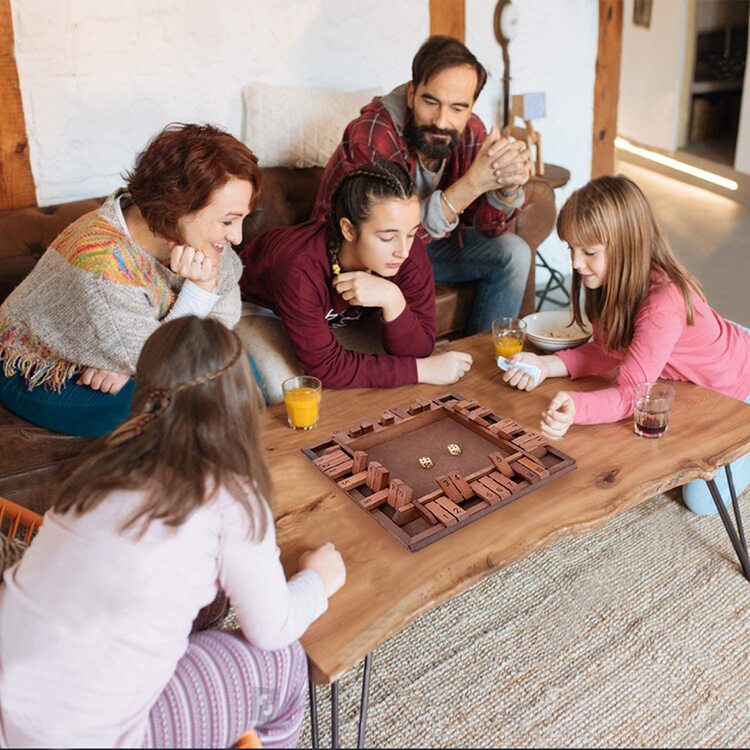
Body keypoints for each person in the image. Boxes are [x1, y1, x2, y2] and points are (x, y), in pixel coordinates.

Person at [0, 316, 346, 748]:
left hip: (13, 703)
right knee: (285, 663)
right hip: (90, 737)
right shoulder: (230, 497)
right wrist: (318, 580)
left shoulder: (99, 468)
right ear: (241, 402)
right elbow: (273, 629)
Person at [502, 174, 750, 515]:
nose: (575, 263)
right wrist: (545, 365)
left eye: (588, 251)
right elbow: (606, 349)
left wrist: (577, 407)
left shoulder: (663, 304)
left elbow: (633, 394)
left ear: (625, 246)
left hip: (738, 384)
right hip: (702, 364)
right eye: (571, 249)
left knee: (701, 501)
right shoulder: (612, 280)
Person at [0, 123, 262, 436]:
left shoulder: (202, 238)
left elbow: (224, 318)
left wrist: (129, 362)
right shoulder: (102, 265)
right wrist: (201, 290)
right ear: (177, 205)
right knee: (182, 402)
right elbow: (160, 363)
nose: (237, 236)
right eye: (228, 221)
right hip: (37, 367)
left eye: (242, 218)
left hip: (127, 348)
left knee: (243, 371)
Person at [313, 35, 532, 334]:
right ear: (412, 93)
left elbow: (489, 229)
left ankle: (485, 363)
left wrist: (507, 188)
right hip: (362, 252)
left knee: (514, 253)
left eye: (458, 108)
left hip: (421, 248)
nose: (442, 121)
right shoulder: (375, 131)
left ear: (471, 106)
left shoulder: (470, 131)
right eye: (431, 102)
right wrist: (471, 185)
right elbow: (385, 233)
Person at [238, 160, 472, 401]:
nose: (403, 251)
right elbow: (326, 369)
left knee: (387, 374)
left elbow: (419, 348)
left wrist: (392, 299)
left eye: (411, 233)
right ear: (349, 230)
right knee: (294, 391)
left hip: (335, 318)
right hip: (260, 308)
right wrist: (423, 370)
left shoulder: (408, 252)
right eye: (387, 237)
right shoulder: (298, 267)